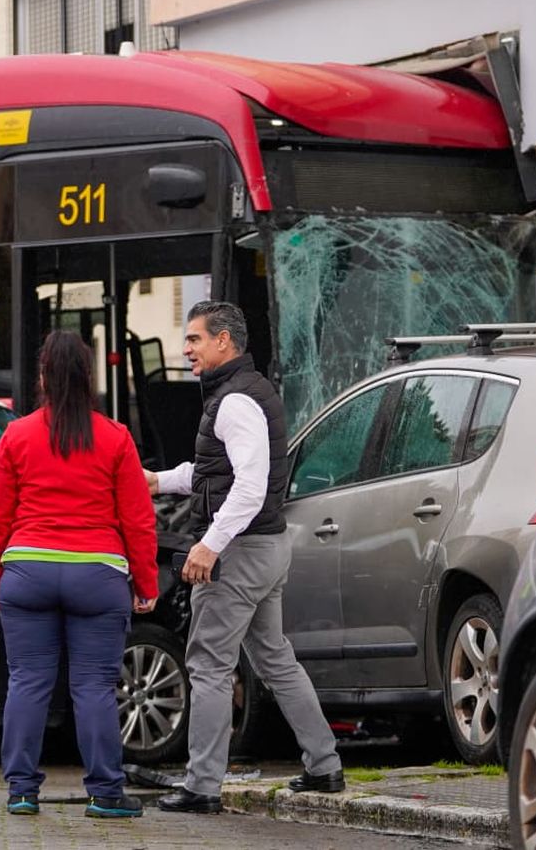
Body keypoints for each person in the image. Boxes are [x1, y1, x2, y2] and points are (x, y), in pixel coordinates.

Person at [148, 301, 345, 814]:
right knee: (274, 657)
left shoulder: (234, 401)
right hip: (267, 547)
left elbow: (250, 487)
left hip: (239, 552)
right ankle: (324, 765)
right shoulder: (245, 392)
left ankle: (202, 787)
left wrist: (209, 544)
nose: (186, 349)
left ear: (223, 341)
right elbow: (215, 473)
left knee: (208, 663)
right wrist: (158, 481)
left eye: (194, 339)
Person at [0, 331, 158, 820]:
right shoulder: (115, 437)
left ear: (42, 377)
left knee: (27, 681)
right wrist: (146, 584)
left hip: (28, 571)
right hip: (97, 576)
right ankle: (105, 793)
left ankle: (21, 790)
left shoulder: (17, 435)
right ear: (88, 378)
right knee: (95, 686)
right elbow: (138, 519)